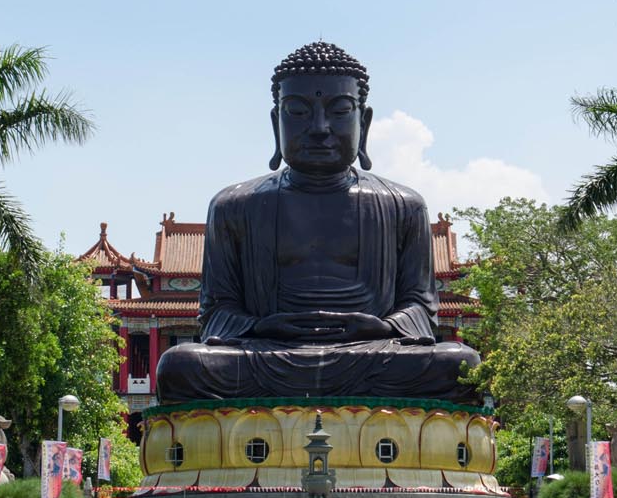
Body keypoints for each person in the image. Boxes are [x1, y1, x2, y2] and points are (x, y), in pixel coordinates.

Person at [155, 42, 480, 404]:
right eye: (298, 111)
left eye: (339, 111)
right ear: (275, 122)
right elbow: (216, 311)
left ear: (365, 122)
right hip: (267, 355)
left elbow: (421, 307)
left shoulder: (403, 206)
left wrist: (384, 326)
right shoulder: (235, 206)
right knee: (180, 365)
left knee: (460, 364)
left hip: (372, 354)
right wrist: (259, 326)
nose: (320, 128)